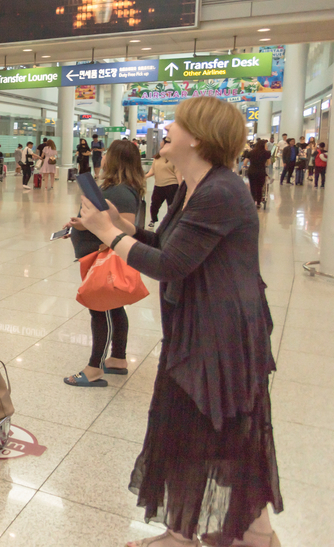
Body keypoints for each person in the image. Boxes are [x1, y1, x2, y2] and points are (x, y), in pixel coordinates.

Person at [78, 96, 282, 547]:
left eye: (177, 122)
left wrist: (107, 234)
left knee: (218, 431)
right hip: (198, 325)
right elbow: (173, 244)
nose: (166, 127)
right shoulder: (196, 186)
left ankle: (240, 534)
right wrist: (127, 230)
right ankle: (204, 531)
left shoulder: (222, 190)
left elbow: (171, 263)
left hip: (222, 334)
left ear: (199, 137)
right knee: (197, 430)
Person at [64, 140, 144, 388]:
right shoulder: (117, 187)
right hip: (95, 257)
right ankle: (118, 358)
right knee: (113, 308)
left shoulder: (120, 191)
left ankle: (94, 368)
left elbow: (123, 229)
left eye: (109, 153)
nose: (104, 156)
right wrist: (80, 224)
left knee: (100, 310)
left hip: (102, 260)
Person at [145, 151, 179, 228]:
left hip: (171, 185)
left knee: (171, 206)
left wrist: (181, 188)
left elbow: (178, 173)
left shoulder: (174, 158)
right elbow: (152, 171)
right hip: (158, 185)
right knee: (154, 205)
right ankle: (153, 220)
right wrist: (144, 177)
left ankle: (171, 223)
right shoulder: (157, 158)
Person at [244, 139, 271, 209]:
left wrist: (246, 166)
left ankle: (253, 201)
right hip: (261, 172)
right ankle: (258, 203)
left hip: (252, 171)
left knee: (252, 186)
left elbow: (245, 162)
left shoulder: (251, 152)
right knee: (260, 187)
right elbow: (269, 163)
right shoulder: (267, 153)